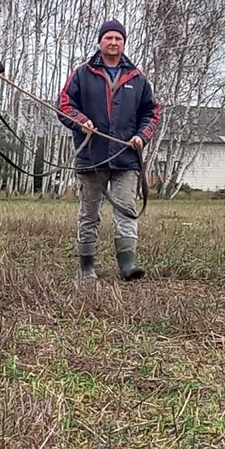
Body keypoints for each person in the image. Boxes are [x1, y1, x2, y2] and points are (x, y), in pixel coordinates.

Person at [58, 19, 160, 280]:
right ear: (100, 42)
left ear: (124, 43)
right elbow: (64, 105)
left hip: (126, 158)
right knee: (89, 213)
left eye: (118, 39)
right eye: (109, 38)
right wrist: (81, 122)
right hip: (91, 157)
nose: (113, 43)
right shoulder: (82, 73)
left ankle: (127, 265)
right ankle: (87, 266)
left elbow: (151, 113)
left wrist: (141, 136)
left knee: (126, 209)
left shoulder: (137, 78)